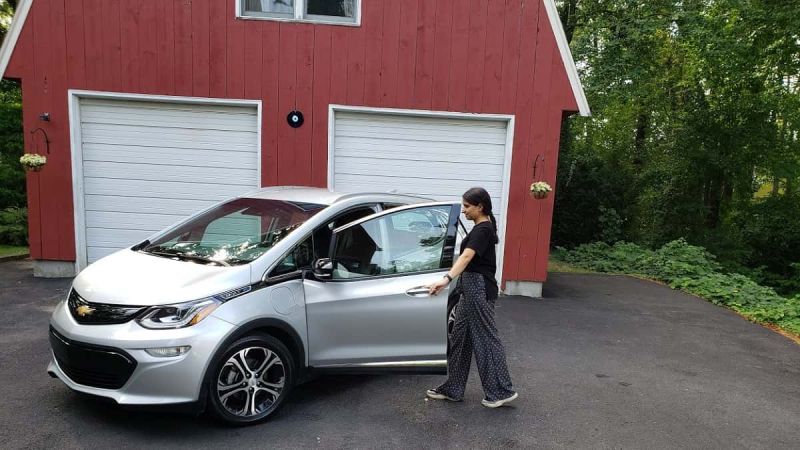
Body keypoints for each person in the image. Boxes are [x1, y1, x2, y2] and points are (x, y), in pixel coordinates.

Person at [425, 187, 518, 408]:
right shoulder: (481, 228)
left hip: (479, 288)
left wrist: (445, 279)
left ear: (480, 207)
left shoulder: (483, 229)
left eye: (467, 206)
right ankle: (453, 389)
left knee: (486, 339)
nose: (464, 210)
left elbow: (467, 256)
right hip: (469, 290)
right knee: (460, 338)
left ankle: (500, 391)